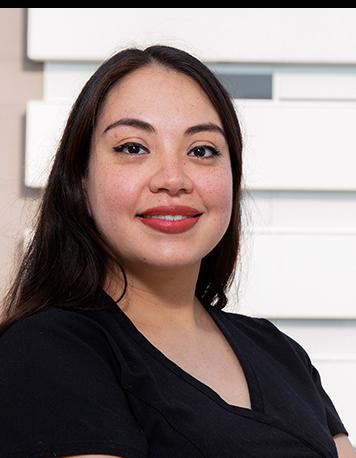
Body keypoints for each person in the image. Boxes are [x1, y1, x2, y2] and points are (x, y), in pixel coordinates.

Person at [0, 45, 354, 458]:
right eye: (133, 147)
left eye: (202, 150)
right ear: (80, 181)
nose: (173, 179)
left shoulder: (280, 352)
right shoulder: (47, 350)